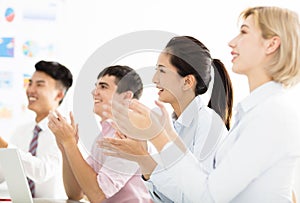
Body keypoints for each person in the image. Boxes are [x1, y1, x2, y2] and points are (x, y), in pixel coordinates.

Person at [101, 6, 300, 203]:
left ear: (271, 44)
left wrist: (158, 137)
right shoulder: (255, 112)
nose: (232, 42)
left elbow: (207, 196)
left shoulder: (271, 114)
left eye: (244, 32)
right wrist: (157, 140)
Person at [100, 36, 233, 202]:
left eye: (162, 70)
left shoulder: (208, 124)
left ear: (187, 81)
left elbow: (197, 197)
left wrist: (145, 157)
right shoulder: (172, 124)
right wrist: (140, 155)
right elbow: (163, 196)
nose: (155, 79)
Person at [48, 65, 152, 203]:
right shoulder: (103, 136)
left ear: (126, 97)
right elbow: (75, 194)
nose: (94, 92)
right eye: (96, 86)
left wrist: (70, 143)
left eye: (103, 87)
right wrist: (65, 148)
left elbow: (97, 195)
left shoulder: (130, 135)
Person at [0, 60, 73, 198]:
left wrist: (3, 145)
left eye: (39, 84)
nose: (30, 90)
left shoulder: (65, 132)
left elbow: (42, 172)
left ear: (59, 95)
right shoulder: (21, 131)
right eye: (30, 83)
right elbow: (4, 172)